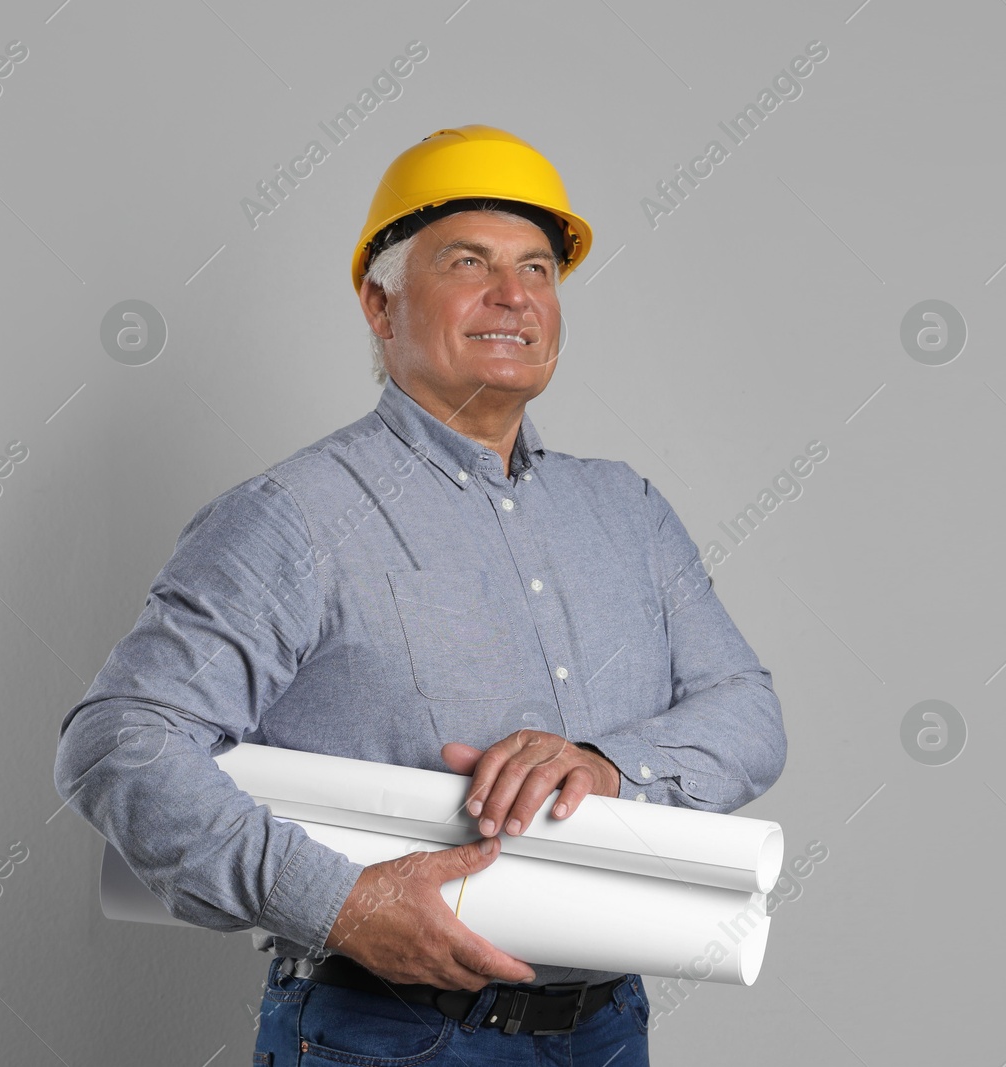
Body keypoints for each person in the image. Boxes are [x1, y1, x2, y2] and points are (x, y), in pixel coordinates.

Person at [52, 124, 787, 1066]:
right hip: (391, 1034)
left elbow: (750, 709)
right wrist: (342, 904)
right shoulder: (295, 517)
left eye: (538, 270)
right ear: (380, 301)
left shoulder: (628, 510)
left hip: (605, 1029)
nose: (514, 296)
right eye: (468, 262)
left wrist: (609, 762)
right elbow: (118, 740)